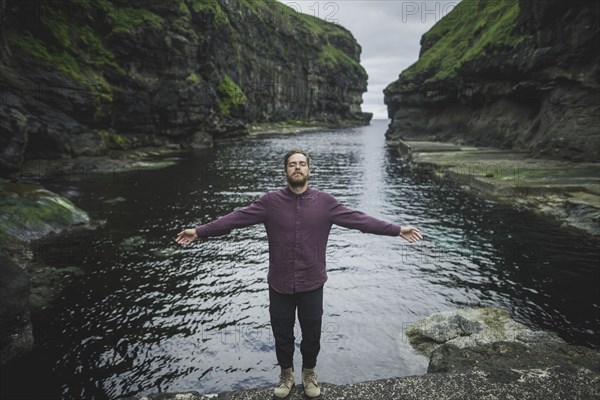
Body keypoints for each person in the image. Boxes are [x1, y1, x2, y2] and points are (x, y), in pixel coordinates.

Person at [175, 149, 423, 398]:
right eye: (292, 164)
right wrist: (199, 231)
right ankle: (286, 374)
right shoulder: (269, 202)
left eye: (302, 164)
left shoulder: (326, 203)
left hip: (312, 282)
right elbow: (235, 219)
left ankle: (309, 373)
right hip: (279, 283)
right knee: (282, 332)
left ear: (309, 170)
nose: (297, 167)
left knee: (312, 333)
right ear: (285, 171)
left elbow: (360, 221)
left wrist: (397, 229)